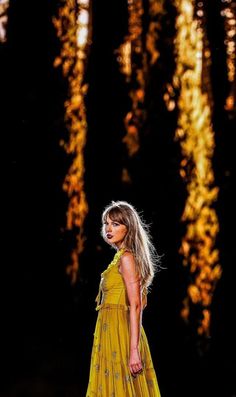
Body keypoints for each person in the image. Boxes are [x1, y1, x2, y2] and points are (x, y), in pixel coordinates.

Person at [85, 200, 161, 396]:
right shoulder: (119, 257)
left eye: (116, 224)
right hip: (109, 332)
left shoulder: (127, 258)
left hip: (122, 334)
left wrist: (133, 350)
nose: (108, 228)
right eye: (106, 223)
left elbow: (136, 305)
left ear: (129, 228)